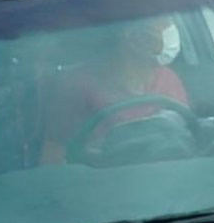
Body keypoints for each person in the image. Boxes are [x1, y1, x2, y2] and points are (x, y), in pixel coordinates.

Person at [41, 16, 189, 165]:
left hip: (169, 171)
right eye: (159, 19)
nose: (169, 27)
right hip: (103, 176)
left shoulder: (169, 79)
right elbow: (55, 149)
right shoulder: (75, 85)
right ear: (131, 35)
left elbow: (187, 136)